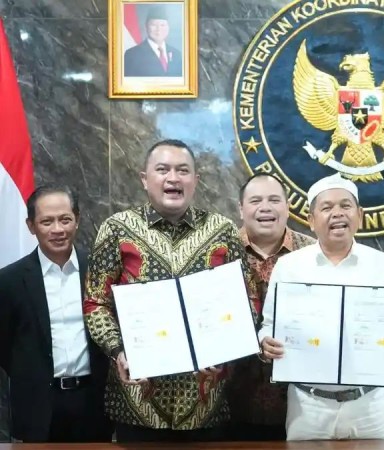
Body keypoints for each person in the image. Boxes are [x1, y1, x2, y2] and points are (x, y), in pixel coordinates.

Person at [83, 140, 257, 442]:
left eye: (183, 170)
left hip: (205, 403)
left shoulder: (222, 231)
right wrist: (118, 350)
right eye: (162, 170)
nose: (173, 178)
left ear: (196, 180)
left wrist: (226, 349)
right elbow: (95, 303)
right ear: (144, 179)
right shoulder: (117, 229)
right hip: (137, 403)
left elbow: (248, 300)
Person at [258, 173, 384, 441]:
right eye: (327, 207)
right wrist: (265, 342)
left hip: (370, 405)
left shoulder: (383, 265)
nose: (337, 213)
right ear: (311, 220)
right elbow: (269, 326)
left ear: (360, 215)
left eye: (346, 205)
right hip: (307, 406)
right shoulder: (289, 266)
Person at [0, 186, 112, 443]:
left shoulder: (99, 271)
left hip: (93, 403)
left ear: (77, 220)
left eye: (65, 219)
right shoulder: (9, 281)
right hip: (37, 406)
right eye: (47, 221)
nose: (58, 229)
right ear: (31, 226)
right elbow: (5, 346)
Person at [226, 173, 315, 441]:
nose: (265, 207)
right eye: (255, 201)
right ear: (241, 209)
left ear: (288, 207)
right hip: (229, 404)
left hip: (301, 407)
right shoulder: (220, 251)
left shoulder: (313, 254)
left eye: (274, 200)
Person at [123, 6, 183, 77]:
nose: (158, 29)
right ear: (146, 26)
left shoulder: (176, 54)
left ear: (168, 27)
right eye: (153, 25)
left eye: (162, 25)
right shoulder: (132, 54)